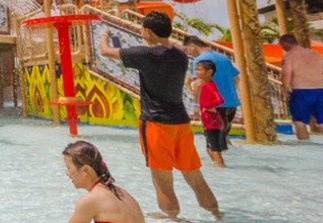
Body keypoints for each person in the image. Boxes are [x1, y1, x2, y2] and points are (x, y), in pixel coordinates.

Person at [99, 11, 218, 218]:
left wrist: (104, 35)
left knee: (162, 181)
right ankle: (216, 214)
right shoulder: (180, 55)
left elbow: (106, 51)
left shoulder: (145, 55)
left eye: (143, 29)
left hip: (156, 124)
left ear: (149, 32)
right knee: (195, 178)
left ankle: (172, 217)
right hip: (181, 123)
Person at [280, 34, 323, 145]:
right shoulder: (315, 54)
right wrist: (321, 85)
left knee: (300, 122)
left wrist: (285, 90)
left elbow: (286, 74)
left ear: (285, 44)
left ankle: (305, 149)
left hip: (301, 91)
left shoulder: (289, 56)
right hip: (322, 91)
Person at [62, 141, 145, 223]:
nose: (67, 173)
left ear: (86, 170)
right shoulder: (124, 194)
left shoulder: (90, 200)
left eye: (68, 168)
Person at [183, 36, 240, 146]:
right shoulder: (224, 58)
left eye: (187, 49)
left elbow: (199, 84)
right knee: (223, 138)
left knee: (213, 144)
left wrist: (195, 104)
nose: (188, 53)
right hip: (231, 104)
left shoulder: (200, 61)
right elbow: (237, 79)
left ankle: (218, 164)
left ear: (192, 46)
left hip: (213, 106)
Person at [195, 60, 226, 167]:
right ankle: (217, 166)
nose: (196, 72)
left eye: (199, 70)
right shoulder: (205, 84)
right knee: (209, 148)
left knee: (215, 148)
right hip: (208, 122)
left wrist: (209, 107)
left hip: (212, 122)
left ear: (209, 72)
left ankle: (221, 167)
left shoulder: (209, 85)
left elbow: (220, 100)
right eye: (196, 69)